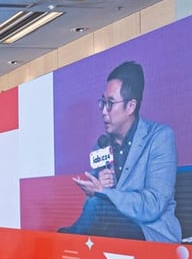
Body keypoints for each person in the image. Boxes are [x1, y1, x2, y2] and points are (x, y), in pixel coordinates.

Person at [59, 60, 181, 242]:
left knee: (98, 207)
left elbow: (153, 205)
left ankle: (68, 242)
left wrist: (105, 193)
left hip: (150, 231)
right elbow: (94, 203)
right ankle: (70, 242)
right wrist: (98, 187)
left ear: (131, 106)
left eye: (110, 103)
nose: (103, 111)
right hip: (112, 226)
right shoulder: (102, 145)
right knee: (96, 204)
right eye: (102, 102)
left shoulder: (159, 137)